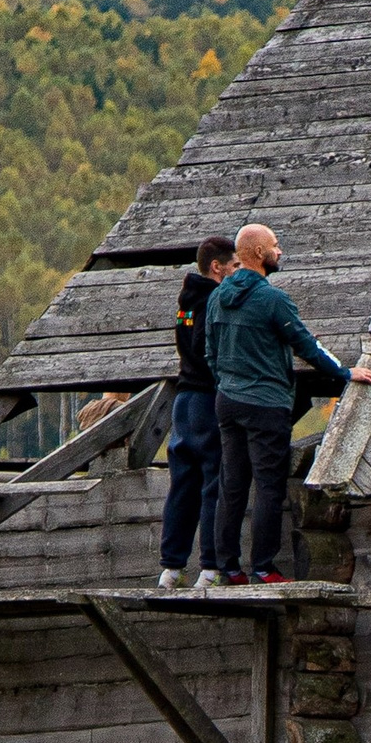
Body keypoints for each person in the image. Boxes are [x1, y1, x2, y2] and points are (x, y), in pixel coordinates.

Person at [202, 221, 371, 584]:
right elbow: (306, 346)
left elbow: (211, 353)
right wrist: (345, 373)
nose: (280, 252)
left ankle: (228, 568)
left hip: (228, 401)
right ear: (260, 254)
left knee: (232, 485)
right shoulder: (273, 300)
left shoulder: (217, 297)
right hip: (265, 403)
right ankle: (263, 567)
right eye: (276, 246)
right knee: (268, 485)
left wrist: (227, 384)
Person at [153, 231, 236, 592]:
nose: (237, 271)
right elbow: (208, 348)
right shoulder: (214, 299)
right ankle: (210, 567)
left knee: (182, 485)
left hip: (182, 400)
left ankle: (171, 568)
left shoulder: (185, 300)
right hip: (204, 397)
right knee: (212, 483)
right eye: (233, 265)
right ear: (216, 267)